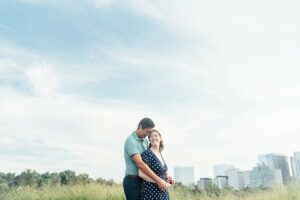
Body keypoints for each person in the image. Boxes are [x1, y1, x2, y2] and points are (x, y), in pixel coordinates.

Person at [123, 118, 169, 200]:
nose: (148, 135)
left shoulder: (145, 141)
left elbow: (152, 160)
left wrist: (166, 175)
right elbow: (141, 164)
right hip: (132, 180)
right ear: (140, 127)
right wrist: (159, 181)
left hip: (143, 180)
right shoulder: (131, 141)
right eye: (147, 132)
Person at [139, 129, 175, 200]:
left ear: (160, 138)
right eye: (151, 136)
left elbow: (161, 172)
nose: (153, 138)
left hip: (163, 191)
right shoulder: (147, 154)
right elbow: (141, 174)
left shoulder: (160, 154)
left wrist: (168, 178)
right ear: (149, 140)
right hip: (151, 192)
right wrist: (158, 182)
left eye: (156, 135)